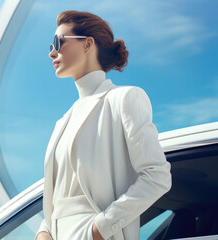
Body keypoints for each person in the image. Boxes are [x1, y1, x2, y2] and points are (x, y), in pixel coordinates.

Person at [35, 10, 172, 240]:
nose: (52, 52)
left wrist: (99, 230)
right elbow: (59, 194)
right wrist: (43, 231)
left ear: (87, 44)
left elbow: (157, 176)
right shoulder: (62, 121)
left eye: (59, 42)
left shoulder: (125, 98)